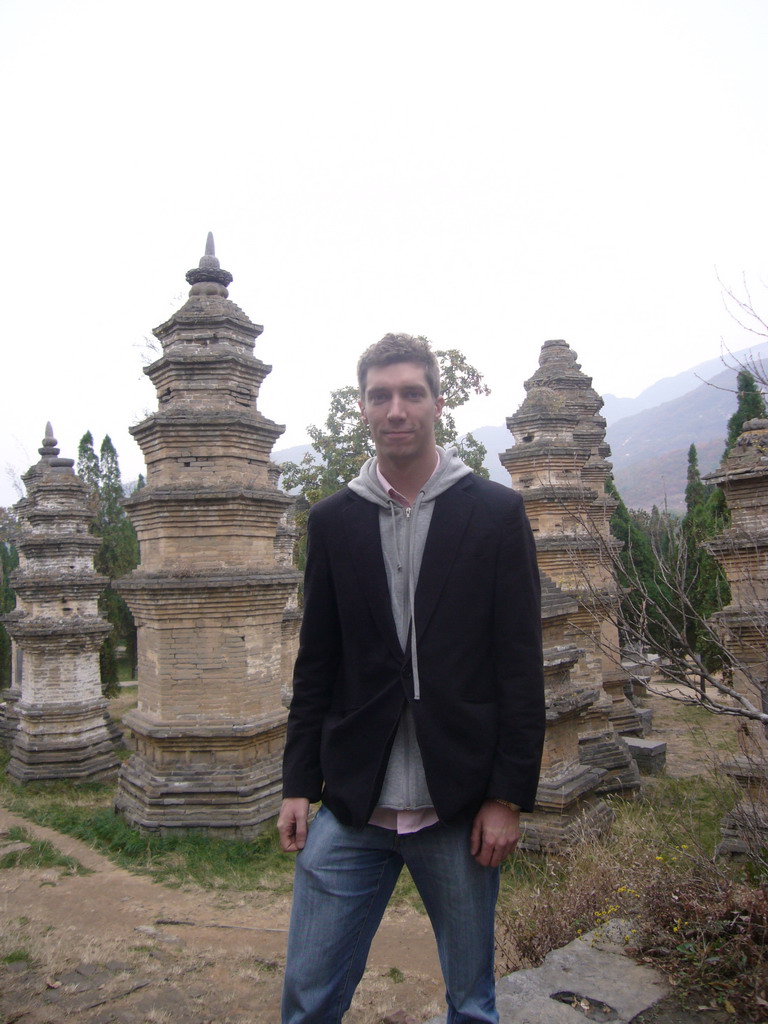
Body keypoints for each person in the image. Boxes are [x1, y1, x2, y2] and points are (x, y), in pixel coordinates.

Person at [278, 333, 545, 1024]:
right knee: (308, 998)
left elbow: (519, 664)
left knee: (472, 1002)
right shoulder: (334, 521)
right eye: (380, 396)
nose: (396, 409)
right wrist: (298, 784)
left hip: (456, 802)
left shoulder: (492, 512)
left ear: (438, 403)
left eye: (411, 394)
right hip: (353, 802)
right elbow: (318, 663)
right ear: (363, 408)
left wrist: (507, 797)